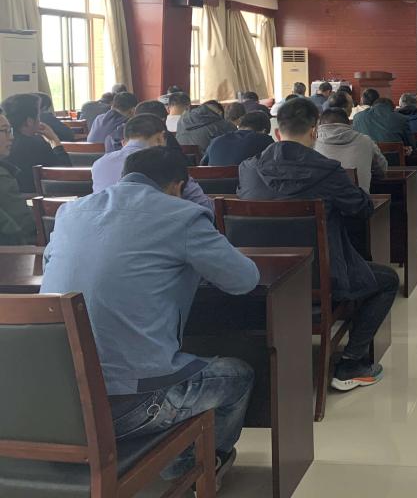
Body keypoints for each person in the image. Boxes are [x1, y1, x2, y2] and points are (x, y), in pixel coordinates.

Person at [41, 146, 259, 486]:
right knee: (238, 375)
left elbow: (50, 269)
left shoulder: (70, 212)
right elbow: (244, 280)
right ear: (178, 186)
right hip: (131, 406)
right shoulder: (182, 215)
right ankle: (192, 469)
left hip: (57, 402)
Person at [238, 98, 398, 391]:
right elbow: (362, 209)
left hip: (257, 277)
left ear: (277, 132)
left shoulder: (248, 168)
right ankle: (351, 363)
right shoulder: (327, 171)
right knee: (387, 281)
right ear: (314, 131)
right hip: (320, 277)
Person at [92, 114, 214, 214]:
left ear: (125, 141)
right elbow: (205, 206)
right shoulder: (165, 162)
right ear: (161, 138)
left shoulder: (99, 164)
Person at [2, 92, 72, 192]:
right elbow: (66, 176)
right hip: (37, 200)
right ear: (29, 121)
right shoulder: (38, 145)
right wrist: (54, 141)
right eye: (39, 116)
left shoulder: (4, 144)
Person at [315, 107, 388, 192]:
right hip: (359, 199)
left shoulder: (311, 145)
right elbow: (382, 170)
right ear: (349, 123)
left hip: (321, 199)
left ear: (319, 124)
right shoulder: (366, 141)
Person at [0, 105, 35, 245]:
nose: (12, 137)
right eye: (5, 131)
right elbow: (25, 225)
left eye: (11, 131)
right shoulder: (2, 176)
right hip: (16, 252)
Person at [203, 112, 274, 167]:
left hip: (213, 181)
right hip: (245, 181)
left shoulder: (216, 140)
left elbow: (203, 165)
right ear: (264, 131)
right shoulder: (265, 139)